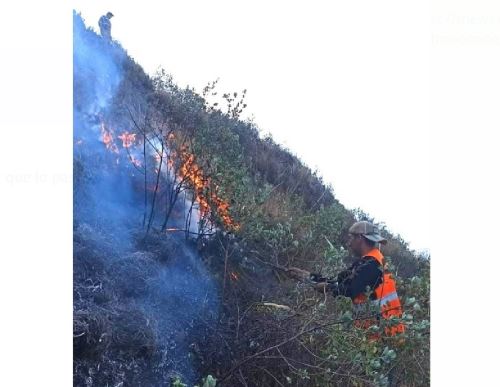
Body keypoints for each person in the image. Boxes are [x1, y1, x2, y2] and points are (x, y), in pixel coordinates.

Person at [288, 221, 405, 338]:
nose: (349, 243)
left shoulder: (373, 265)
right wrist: (308, 276)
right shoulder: (369, 261)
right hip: (380, 335)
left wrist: (327, 288)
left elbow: (349, 290)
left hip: (382, 338)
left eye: (351, 238)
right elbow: (340, 281)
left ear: (360, 238)